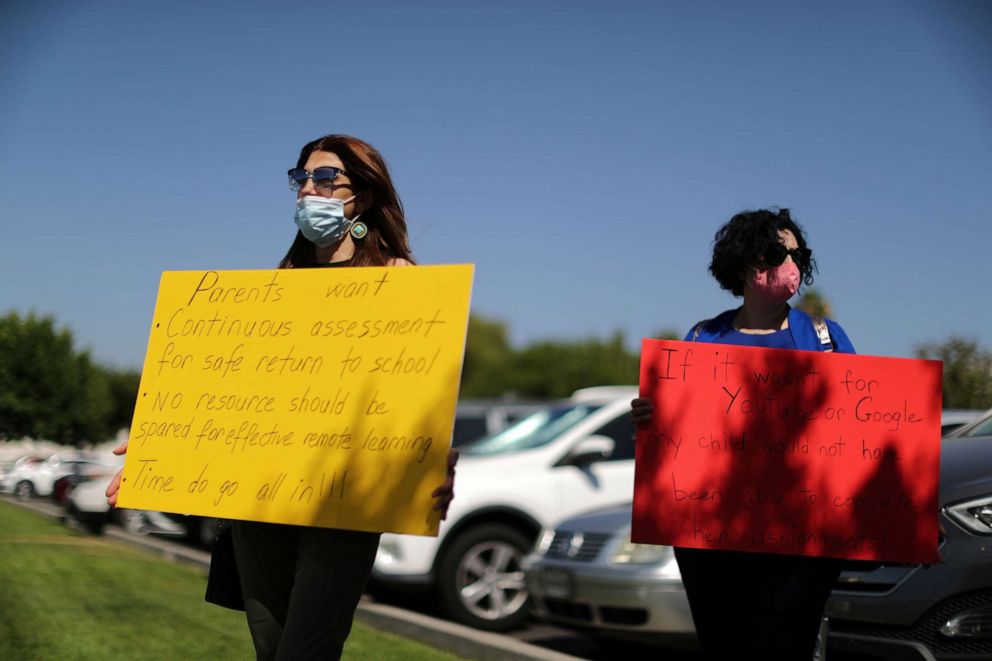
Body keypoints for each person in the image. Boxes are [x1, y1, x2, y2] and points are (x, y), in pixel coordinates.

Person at [107, 134, 458, 661]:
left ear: (360, 195)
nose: (309, 191)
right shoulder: (273, 290)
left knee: (306, 652)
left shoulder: (399, 284)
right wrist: (157, 445)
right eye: (301, 180)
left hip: (344, 506)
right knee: (271, 650)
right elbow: (223, 395)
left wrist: (432, 463)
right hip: (260, 506)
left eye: (325, 179)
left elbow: (414, 399)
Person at [631, 208, 854, 661]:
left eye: (798, 254)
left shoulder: (824, 338)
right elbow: (677, 435)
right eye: (777, 253)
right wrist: (650, 418)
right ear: (743, 263)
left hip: (801, 540)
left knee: (784, 647)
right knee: (724, 646)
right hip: (710, 540)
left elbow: (859, 432)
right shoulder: (701, 338)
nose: (790, 264)